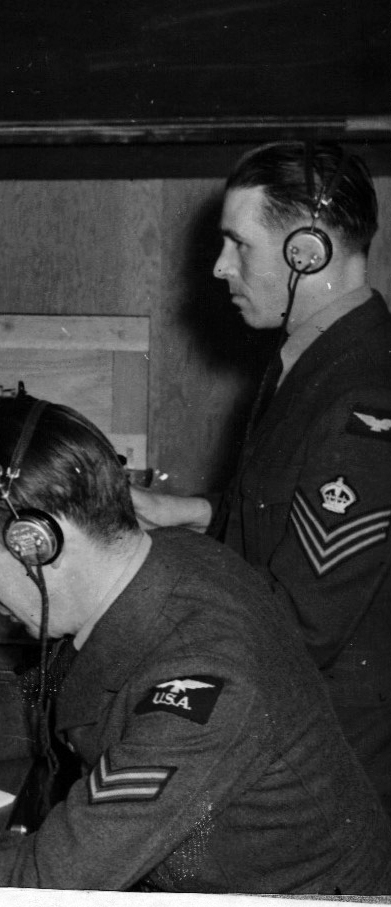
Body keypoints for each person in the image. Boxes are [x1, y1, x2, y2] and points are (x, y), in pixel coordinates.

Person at [0, 395, 391, 893]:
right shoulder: (167, 563)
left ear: (38, 544)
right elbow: (67, 684)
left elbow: (46, 881)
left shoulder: (208, 680)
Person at [133, 141, 391, 811]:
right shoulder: (317, 358)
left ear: (308, 252)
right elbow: (284, 519)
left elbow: (302, 625)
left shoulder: (360, 403)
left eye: (238, 244)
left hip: (331, 772)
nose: (219, 267)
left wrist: (132, 588)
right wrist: (188, 513)